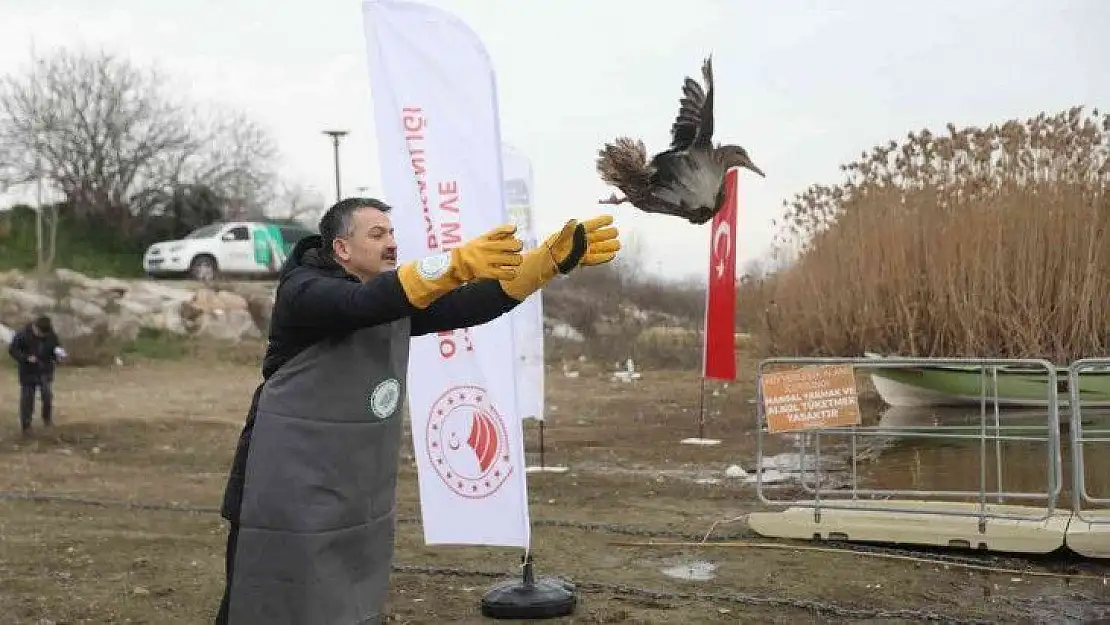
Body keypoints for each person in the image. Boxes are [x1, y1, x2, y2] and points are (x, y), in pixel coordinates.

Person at [215, 197, 620, 625]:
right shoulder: (306, 291)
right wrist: (456, 263)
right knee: (264, 594)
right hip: (282, 480)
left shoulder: (391, 297)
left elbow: (468, 305)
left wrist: (545, 264)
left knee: (338, 591)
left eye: (391, 233)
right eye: (377, 235)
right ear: (341, 249)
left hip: (347, 481)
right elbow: (360, 305)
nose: (391, 243)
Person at [7, 315, 64, 436]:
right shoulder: (22, 335)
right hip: (28, 371)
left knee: (47, 395)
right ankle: (26, 426)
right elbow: (13, 350)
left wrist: (59, 356)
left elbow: (56, 348)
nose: (42, 336)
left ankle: (47, 419)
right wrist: (26, 358)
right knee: (27, 398)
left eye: (45, 334)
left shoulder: (51, 335)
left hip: (45, 370)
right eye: (40, 333)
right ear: (35, 327)